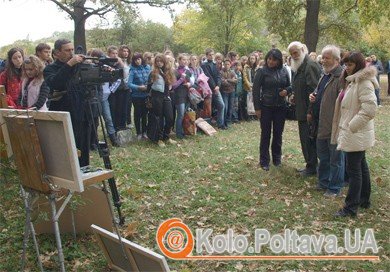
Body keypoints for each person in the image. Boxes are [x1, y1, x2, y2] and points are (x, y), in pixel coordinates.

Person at [331, 51, 378, 217]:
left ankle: (351, 207)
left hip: (355, 132)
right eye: (345, 64)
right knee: (360, 166)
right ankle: (364, 200)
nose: (346, 67)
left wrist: (352, 126)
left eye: (349, 64)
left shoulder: (363, 82)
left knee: (354, 171)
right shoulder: (353, 80)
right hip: (355, 132)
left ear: (357, 65)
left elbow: (370, 109)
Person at [44, 39, 96, 167]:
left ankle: (84, 170)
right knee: (66, 147)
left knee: (83, 145)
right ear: (57, 52)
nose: (71, 53)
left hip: (83, 112)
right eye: (67, 50)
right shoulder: (50, 69)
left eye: (72, 50)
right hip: (65, 112)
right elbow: (56, 82)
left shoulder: (80, 66)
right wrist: (69, 64)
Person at [308, 45, 345, 197]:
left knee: (335, 159)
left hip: (334, 125)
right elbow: (319, 92)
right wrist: (313, 96)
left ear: (337, 60)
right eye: (322, 57)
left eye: (326, 57)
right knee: (323, 156)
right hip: (321, 124)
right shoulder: (324, 75)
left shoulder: (341, 77)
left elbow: (344, 102)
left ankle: (335, 187)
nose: (323, 60)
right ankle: (323, 183)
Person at [252, 49, 292, 170]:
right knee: (265, 134)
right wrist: (257, 108)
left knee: (278, 134)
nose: (271, 61)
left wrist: (287, 91)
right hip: (266, 107)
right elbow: (255, 90)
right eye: (269, 58)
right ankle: (264, 161)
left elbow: (290, 85)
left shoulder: (284, 70)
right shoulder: (261, 71)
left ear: (279, 60)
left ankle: (277, 158)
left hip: (280, 107)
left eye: (274, 59)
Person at [288, 41, 321, 177]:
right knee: (305, 139)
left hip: (309, 112)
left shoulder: (310, 66)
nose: (294, 56)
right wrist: (294, 95)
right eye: (291, 54)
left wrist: (310, 112)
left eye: (295, 52)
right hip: (301, 110)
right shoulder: (300, 66)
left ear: (302, 50)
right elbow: (301, 87)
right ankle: (310, 165)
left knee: (309, 140)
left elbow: (314, 91)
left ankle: (312, 167)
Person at [147, 53, 177, 146]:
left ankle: (166, 136)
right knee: (158, 118)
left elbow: (171, 85)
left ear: (164, 62)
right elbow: (149, 87)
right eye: (157, 61)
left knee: (170, 118)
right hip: (156, 97)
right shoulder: (153, 73)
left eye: (161, 61)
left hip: (166, 96)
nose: (159, 63)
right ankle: (159, 139)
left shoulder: (169, 72)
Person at [201, 48, 226, 129]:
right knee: (208, 108)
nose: (211, 56)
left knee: (221, 105)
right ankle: (207, 126)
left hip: (216, 89)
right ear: (206, 55)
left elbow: (218, 76)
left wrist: (218, 86)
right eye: (210, 55)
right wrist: (214, 86)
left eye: (212, 54)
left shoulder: (215, 64)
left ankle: (220, 124)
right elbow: (208, 77)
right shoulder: (204, 65)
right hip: (208, 89)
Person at [128, 53, 151, 140]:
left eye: (139, 59)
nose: (138, 61)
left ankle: (144, 132)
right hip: (136, 95)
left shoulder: (147, 67)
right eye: (136, 60)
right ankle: (138, 132)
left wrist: (147, 86)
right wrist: (138, 87)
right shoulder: (132, 70)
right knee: (137, 114)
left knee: (145, 114)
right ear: (134, 61)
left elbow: (151, 78)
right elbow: (129, 84)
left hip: (146, 95)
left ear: (142, 59)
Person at [171, 54, 193, 139]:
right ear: (179, 60)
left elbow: (192, 81)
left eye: (187, 60)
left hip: (186, 95)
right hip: (178, 95)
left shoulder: (188, 71)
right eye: (183, 59)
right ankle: (179, 133)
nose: (185, 61)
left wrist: (189, 84)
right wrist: (181, 79)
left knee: (184, 114)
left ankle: (184, 131)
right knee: (180, 114)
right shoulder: (175, 71)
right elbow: (173, 86)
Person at [220, 59, 237, 127]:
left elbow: (236, 81)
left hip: (232, 91)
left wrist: (228, 80)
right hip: (224, 92)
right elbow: (223, 83)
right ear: (223, 65)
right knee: (225, 107)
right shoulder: (221, 72)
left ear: (230, 65)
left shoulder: (232, 71)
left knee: (230, 107)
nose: (227, 66)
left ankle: (228, 121)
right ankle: (224, 122)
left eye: (228, 64)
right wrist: (231, 81)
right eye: (225, 64)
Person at [118, 45, 133, 128]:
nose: (126, 53)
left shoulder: (130, 62)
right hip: (120, 87)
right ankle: (121, 124)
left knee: (128, 106)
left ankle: (128, 121)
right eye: (124, 51)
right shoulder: (117, 61)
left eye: (127, 51)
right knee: (121, 106)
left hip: (128, 87)